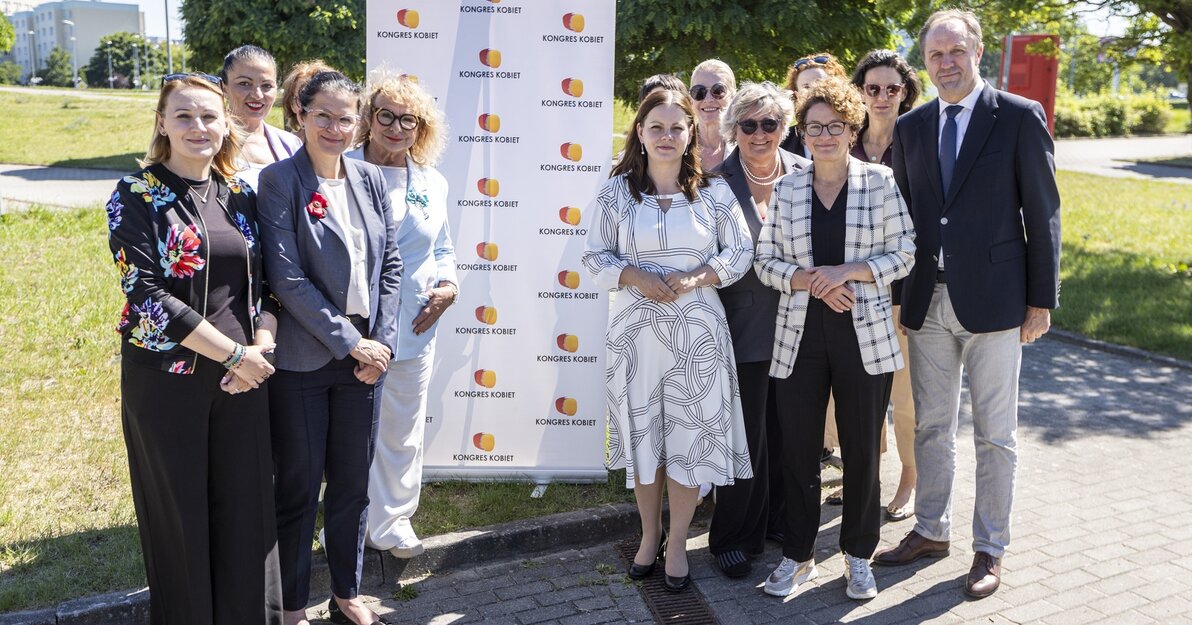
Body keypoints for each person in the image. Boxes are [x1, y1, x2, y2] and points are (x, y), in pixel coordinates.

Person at [873, 9, 1061, 600]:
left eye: (956, 51)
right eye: (935, 54)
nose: (946, 62)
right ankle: (930, 531)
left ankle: (990, 548)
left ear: (977, 52)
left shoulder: (1019, 118)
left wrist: (1040, 300)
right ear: (924, 62)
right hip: (928, 303)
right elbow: (901, 221)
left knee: (995, 435)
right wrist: (901, 298)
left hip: (998, 303)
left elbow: (1044, 213)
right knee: (931, 426)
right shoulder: (912, 127)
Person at [107, 72, 282, 624]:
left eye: (208, 115)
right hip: (168, 381)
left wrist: (260, 350)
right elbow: (146, 293)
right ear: (161, 123)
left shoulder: (240, 194)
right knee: (179, 521)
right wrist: (232, 355)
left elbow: (269, 286)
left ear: (225, 122)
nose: (198, 126)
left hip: (245, 378)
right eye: (183, 115)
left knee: (246, 518)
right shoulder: (135, 194)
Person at [582, 88, 754, 593]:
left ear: (691, 134)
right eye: (656, 126)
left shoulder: (715, 193)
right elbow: (593, 258)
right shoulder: (615, 193)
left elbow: (740, 252)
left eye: (677, 127)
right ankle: (648, 533)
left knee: (688, 440)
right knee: (646, 441)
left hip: (698, 336)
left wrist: (701, 276)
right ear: (639, 131)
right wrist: (634, 276)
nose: (666, 136)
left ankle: (677, 541)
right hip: (636, 338)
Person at [755, 77, 915, 601]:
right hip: (799, 338)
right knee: (799, 451)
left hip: (864, 336)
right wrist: (810, 281)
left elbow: (905, 253)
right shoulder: (787, 188)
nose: (825, 136)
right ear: (803, 133)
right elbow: (765, 262)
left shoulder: (881, 182)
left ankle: (859, 556)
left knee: (863, 452)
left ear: (852, 129)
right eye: (815, 127)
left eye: (836, 126)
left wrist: (848, 271)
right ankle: (799, 557)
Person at [257, 70, 402, 625]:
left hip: (368, 362)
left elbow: (391, 264)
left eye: (346, 118)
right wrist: (352, 343)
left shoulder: (368, 178)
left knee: (352, 485)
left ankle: (347, 592)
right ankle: (292, 605)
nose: (336, 128)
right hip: (305, 360)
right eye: (324, 116)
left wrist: (382, 343)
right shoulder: (279, 181)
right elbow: (287, 279)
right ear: (300, 114)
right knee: (297, 489)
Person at [346, 70, 457, 559]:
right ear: (369, 119)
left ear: (421, 128)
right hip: (348, 329)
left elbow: (445, 247)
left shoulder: (432, 182)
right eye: (385, 116)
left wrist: (451, 285)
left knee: (402, 431)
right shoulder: (337, 169)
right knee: (346, 433)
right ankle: (346, 520)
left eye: (407, 120)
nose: (395, 127)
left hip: (413, 328)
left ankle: (392, 523)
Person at [708, 81, 810, 579]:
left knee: (789, 433)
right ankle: (732, 536)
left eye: (769, 123)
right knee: (744, 436)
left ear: (783, 128)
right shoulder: (710, 182)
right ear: (733, 129)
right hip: (740, 327)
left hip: (801, 326)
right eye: (748, 124)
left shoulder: (807, 174)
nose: (759, 133)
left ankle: (778, 521)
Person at [850, 49, 923, 521]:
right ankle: (864, 476)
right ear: (859, 92)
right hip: (850, 290)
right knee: (855, 394)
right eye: (872, 88)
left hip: (902, 290)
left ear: (905, 93)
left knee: (905, 392)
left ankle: (911, 478)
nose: (880, 97)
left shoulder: (919, 141)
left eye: (891, 89)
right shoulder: (845, 139)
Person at [221, 45, 302, 190]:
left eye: (266, 85)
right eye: (244, 83)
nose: (257, 95)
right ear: (224, 88)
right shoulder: (208, 142)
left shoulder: (291, 145)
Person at [779, 53, 848, 158]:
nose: (814, 91)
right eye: (806, 87)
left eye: (820, 83)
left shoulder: (856, 135)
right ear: (796, 94)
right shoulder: (782, 142)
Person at [688, 59, 737, 170]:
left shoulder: (746, 148)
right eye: (699, 91)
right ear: (691, 99)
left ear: (733, 96)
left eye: (718, 91)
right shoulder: (679, 147)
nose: (708, 99)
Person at [280, 59, 334, 134]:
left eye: (323, 98)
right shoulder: (281, 145)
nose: (311, 106)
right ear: (292, 105)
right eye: (303, 97)